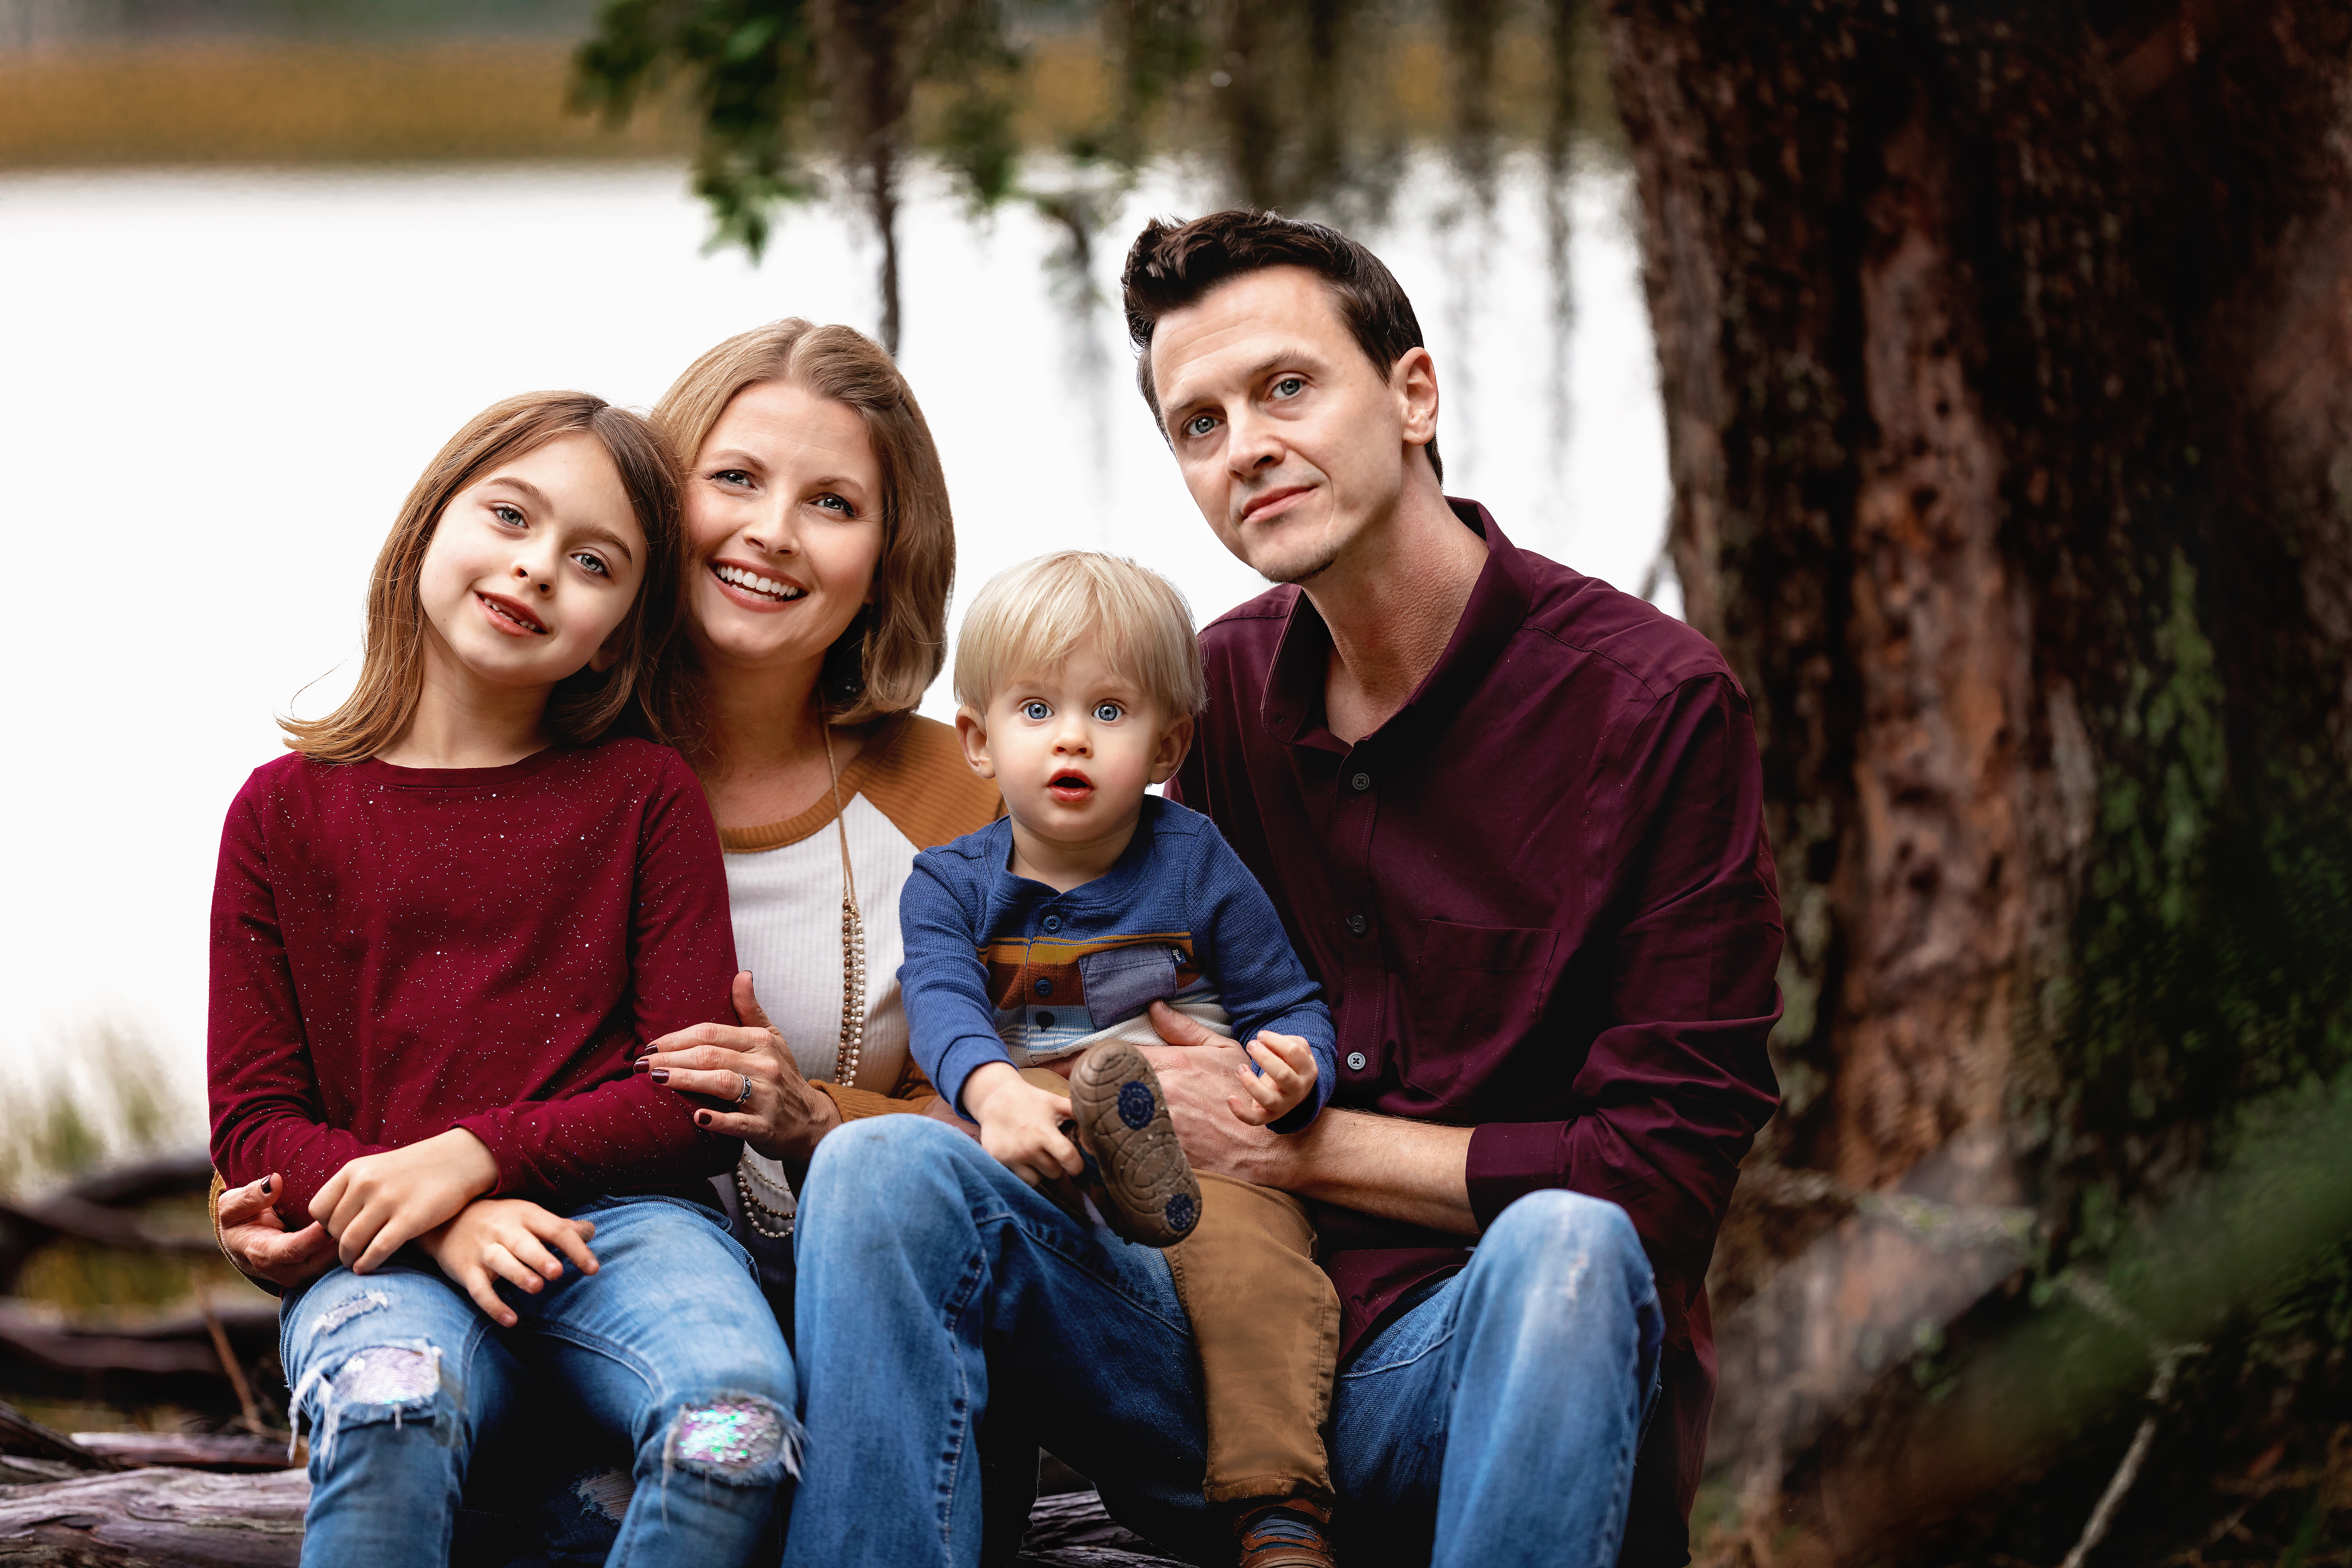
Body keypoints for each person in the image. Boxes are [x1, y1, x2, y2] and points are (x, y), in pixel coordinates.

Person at [780, 210, 1783, 1568]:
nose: (1245, 445)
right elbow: (1063, 962)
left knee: (1572, 1244)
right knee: (887, 1172)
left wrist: (1298, 1146)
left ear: (1414, 396)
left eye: (1287, 387)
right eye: (1199, 424)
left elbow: (1656, 1177)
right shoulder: (1207, 697)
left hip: (1478, 1369)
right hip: (1207, 1346)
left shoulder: (1652, 706)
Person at [207, 391, 798, 1568]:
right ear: (432, 520)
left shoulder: (645, 795)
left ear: (618, 634)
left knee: (734, 1433)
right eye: (512, 516)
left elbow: (686, 1100)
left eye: (594, 563)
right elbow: (255, 1123)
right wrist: (442, 1214)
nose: (536, 567)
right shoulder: (282, 812)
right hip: (384, 1253)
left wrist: (477, 1155)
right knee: (387, 1408)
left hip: (630, 1234)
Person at [902, 550, 1344, 1566]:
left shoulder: (1195, 860)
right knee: (950, 1227)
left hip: (1201, 1158)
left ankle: (1279, 1512)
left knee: (1260, 1273)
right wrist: (994, 1094)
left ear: (1166, 744)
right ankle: (982, 1518)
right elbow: (942, 1003)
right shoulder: (951, 885)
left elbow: (1285, 1001)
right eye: (1036, 710)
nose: (1072, 737)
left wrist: (1296, 1072)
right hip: (1038, 1136)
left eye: (1109, 711)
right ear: (978, 741)